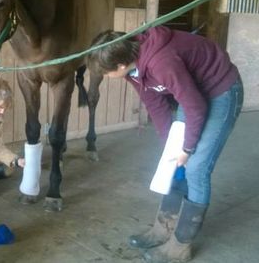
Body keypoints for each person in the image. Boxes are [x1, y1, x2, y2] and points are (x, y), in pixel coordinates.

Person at [89, 26, 243, 263]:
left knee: (196, 168)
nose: (106, 77)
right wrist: (170, 146)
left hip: (220, 89)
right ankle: (164, 228)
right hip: (193, 91)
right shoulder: (131, 69)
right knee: (172, 163)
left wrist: (188, 148)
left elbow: (195, 107)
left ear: (120, 65)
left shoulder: (161, 62)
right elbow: (155, 104)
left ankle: (181, 245)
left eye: (106, 73)